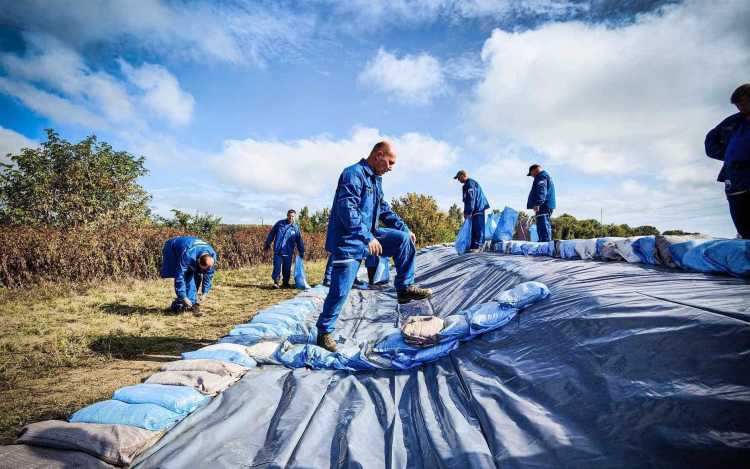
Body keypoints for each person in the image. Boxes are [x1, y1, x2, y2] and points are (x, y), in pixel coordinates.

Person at [316, 141, 433, 352]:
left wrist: (404, 228)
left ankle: (404, 289)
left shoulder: (376, 180)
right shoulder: (353, 174)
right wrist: (367, 237)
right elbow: (347, 208)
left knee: (402, 239)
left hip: (370, 233)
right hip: (348, 240)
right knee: (340, 291)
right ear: (379, 155)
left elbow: (384, 209)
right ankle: (324, 332)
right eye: (390, 162)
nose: (391, 168)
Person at [705, 84, 750, 239]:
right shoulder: (732, 122)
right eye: (737, 105)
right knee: (741, 219)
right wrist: (730, 155)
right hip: (734, 174)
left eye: (743, 103)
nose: (740, 108)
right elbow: (711, 140)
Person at [161, 236, 216, 317]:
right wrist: (183, 297)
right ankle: (189, 305)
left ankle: (182, 305)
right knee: (188, 276)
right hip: (172, 247)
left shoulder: (212, 256)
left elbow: (208, 275)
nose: (206, 270)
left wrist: (205, 293)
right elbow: (180, 276)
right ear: (198, 261)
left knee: (196, 276)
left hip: (192, 248)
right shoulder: (187, 255)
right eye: (204, 268)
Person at [265, 209, 305, 288]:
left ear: (295, 217)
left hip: (288, 251)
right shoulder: (280, 224)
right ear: (287, 215)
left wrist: (302, 251)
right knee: (276, 267)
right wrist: (268, 243)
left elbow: (299, 240)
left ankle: (285, 283)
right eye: (289, 216)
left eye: (292, 216)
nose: (291, 218)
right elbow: (272, 233)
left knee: (287, 268)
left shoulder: (296, 228)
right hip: (278, 250)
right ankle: (276, 282)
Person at [454, 170, 490, 252]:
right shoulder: (466, 185)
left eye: (458, 177)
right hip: (474, 208)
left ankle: (479, 246)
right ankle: (474, 245)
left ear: (463, 176)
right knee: (473, 228)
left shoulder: (470, 184)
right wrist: (466, 212)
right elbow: (466, 201)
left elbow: (471, 199)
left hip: (478, 207)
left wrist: (469, 212)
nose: (458, 179)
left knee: (478, 227)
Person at [526, 164, 556, 242]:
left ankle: (545, 244)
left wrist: (538, 203)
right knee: (542, 225)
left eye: (531, 174)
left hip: (543, 206)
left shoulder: (541, 177)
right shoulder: (544, 176)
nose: (532, 176)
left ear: (534, 171)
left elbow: (542, 191)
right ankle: (543, 242)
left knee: (543, 225)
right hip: (544, 205)